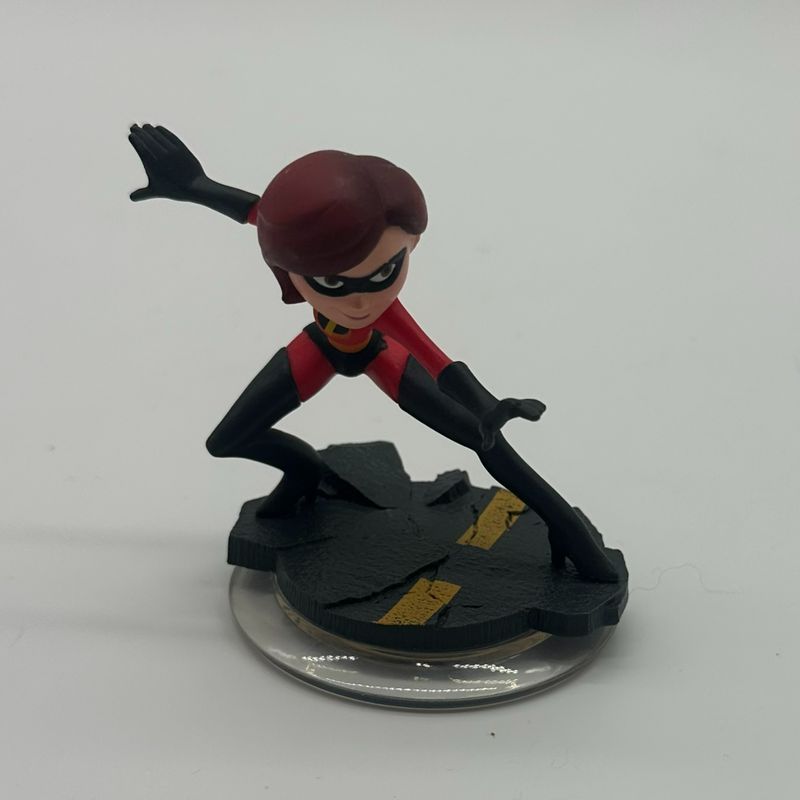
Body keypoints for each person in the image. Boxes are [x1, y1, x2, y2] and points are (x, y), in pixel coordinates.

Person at [128, 123, 619, 583]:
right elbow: (254, 212)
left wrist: (487, 409)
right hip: (319, 349)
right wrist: (194, 186)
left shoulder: (386, 316)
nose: (361, 302)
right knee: (227, 440)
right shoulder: (292, 236)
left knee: (485, 442)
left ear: (414, 244)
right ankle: (303, 472)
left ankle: (564, 527)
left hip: (378, 356)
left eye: (384, 274)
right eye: (332, 283)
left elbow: (439, 362)